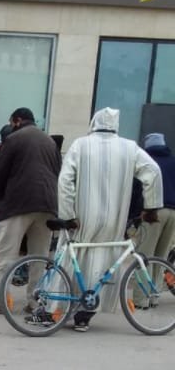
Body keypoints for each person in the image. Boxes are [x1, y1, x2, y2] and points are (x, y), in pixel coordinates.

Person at [56, 109, 162, 331]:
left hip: (83, 217)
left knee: (72, 258)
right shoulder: (129, 148)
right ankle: (85, 315)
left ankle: (59, 308)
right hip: (115, 218)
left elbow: (65, 180)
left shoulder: (80, 145)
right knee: (102, 262)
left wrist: (67, 214)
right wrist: (151, 207)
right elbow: (153, 170)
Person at [0, 108, 62, 315]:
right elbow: (58, 171)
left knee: (4, 254)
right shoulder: (49, 141)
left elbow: (0, 172)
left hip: (18, 202)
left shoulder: (14, 139)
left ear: (17, 120)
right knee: (39, 256)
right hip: (48, 204)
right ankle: (35, 301)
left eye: (11, 122)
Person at [137, 133, 175, 268]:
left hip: (153, 212)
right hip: (173, 213)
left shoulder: (147, 163)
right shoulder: (173, 162)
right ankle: (156, 282)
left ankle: (142, 283)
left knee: (145, 256)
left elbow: (139, 189)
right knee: (162, 258)